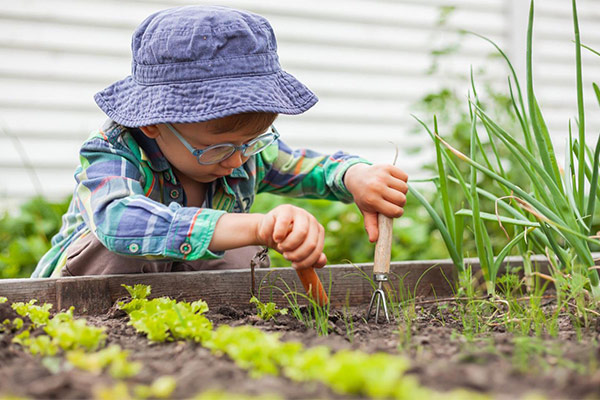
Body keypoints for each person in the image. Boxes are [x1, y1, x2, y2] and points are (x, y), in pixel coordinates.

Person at [32, 5, 408, 278]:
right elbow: (117, 220)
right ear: (153, 124)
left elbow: (309, 169)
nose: (237, 159)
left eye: (251, 142)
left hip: (187, 304)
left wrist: (355, 176)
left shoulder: (243, 151)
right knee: (120, 247)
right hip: (82, 300)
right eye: (218, 148)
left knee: (242, 250)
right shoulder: (114, 150)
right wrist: (257, 226)